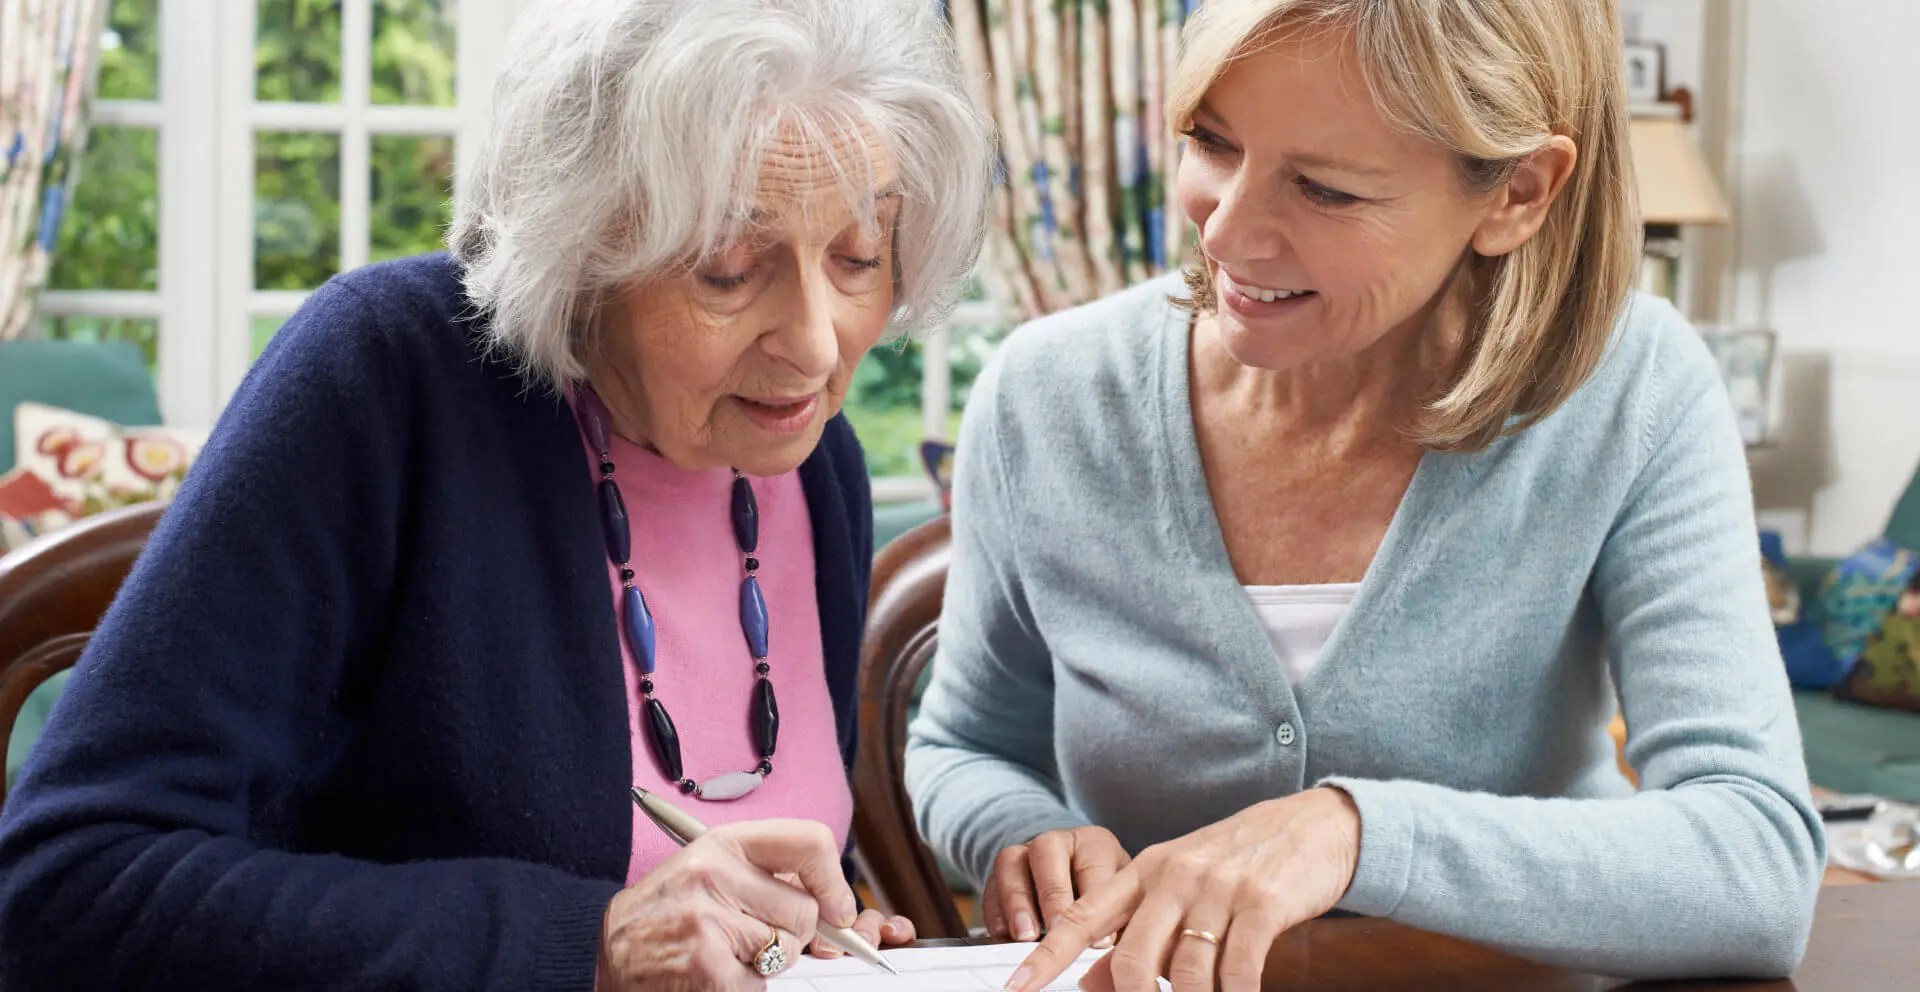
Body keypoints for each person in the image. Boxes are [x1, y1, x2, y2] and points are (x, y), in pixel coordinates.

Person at [0, 0, 990, 988]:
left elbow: (754, 930)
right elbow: (63, 883)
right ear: (585, 244)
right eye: (730, 269)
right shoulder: (387, 380)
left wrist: (804, 942)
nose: (815, 344)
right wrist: (589, 944)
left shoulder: (814, 463)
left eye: (860, 258)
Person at [905, 1, 1823, 989]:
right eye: (1212, 141)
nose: (1230, 230)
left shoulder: (1633, 388)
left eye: (1327, 190)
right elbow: (963, 744)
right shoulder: (1046, 392)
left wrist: (1358, 833)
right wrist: (1027, 831)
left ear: (1517, 192)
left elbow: (1756, 858)